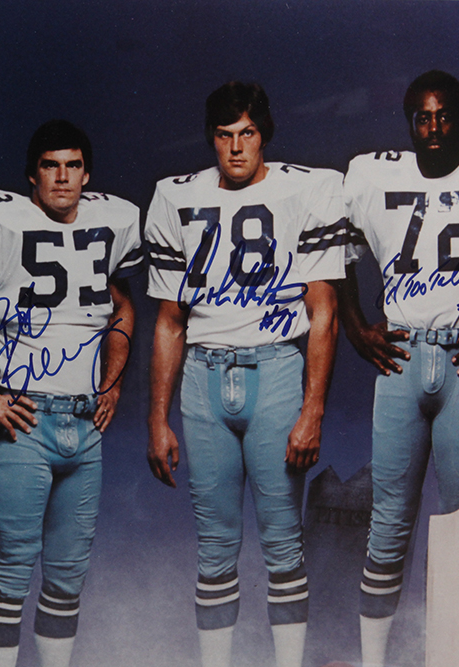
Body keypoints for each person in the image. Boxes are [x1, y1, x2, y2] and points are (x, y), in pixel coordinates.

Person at [0, 119, 143, 667]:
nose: (62, 177)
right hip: (27, 424)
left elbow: (124, 308)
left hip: (86, 428)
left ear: (87, 173)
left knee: (67, 582)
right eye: (50, 165)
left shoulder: (110, 221)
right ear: (30, 177)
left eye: (72, 165)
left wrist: (111, 382)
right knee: (10, 582)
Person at [338, 70, 459, 667]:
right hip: (401, 361)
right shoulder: (372, 173)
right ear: (408, 121)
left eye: (444, 115)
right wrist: (355, 328)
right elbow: (337, 261)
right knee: (388, 524)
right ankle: (376, 661)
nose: (433, 127)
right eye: (422, 117)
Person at [145, 81, 346, 667]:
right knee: (214, 549)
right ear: (212, 138)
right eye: (225, 135)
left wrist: (313, 410)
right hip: (203, 379)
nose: (236, 148)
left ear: (265, 135)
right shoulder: (175, 196)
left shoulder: (307, 188)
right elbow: (167, 321)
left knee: (283, 546)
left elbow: (323, 310)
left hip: (277, 368)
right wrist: (156, 419)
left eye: (247, 133)